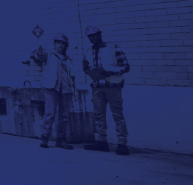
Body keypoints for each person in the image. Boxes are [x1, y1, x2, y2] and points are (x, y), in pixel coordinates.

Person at [82, 26, 130, 155]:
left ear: (100, 34)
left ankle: (122, 144)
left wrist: (110, 72)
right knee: (98, 115)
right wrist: (86, 69)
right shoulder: (87, 51)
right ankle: (101, 142)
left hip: (113, 86)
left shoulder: (113, 48)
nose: (92, 38)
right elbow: (87, 70)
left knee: (117, 114)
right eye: (89, 36)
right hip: (96, 87)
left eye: (94, 35)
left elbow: (126, 67)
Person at [33, 34, 75, 149]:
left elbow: (72, 76)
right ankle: (45, 138)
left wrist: (73, 90)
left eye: (62, 43)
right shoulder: (49, 55)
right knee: (49, 113)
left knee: (64, 115)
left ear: (65, 45)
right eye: (58, 43)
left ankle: (61, 139)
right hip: (52, 87)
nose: (60, 45)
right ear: (55, 44)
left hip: (66, 89)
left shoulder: (68, 59)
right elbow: (40, 56)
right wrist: (39, 52)